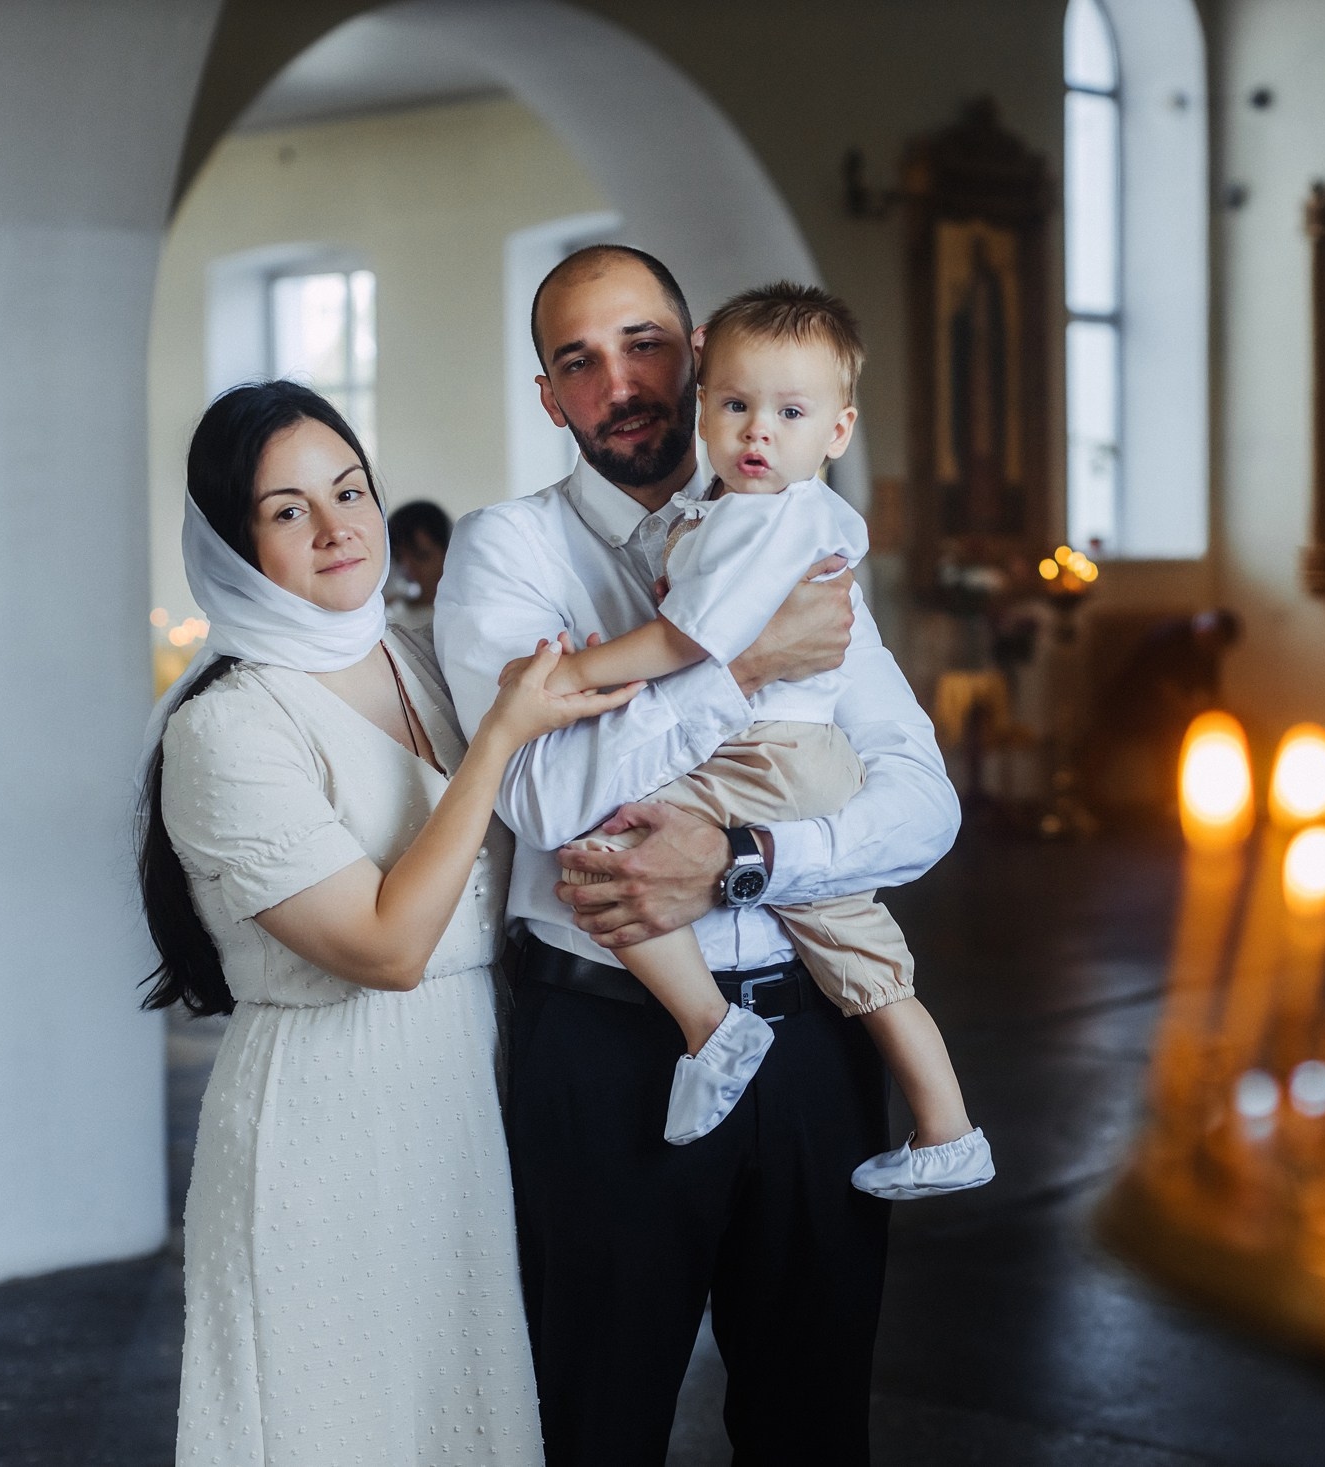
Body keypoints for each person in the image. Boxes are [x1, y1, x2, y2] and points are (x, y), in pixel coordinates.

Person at [435, 246, 960, 1465]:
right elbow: (547, 793)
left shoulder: (797, 535)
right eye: (579, 361)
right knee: (596, 1419)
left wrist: (744, 857)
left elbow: (921, 804)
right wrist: (743, 667)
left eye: (644, 344)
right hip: (607, 1046)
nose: (620, 380)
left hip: (813, 1034)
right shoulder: (506, 554)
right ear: (550, 396)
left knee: (812, 1423)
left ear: (695, 351)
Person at [137, 381, 639, 1467]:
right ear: (230, 541)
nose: (337, 528)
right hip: (325, 1111)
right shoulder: (228, 725)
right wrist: (503, 735)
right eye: (285, 509)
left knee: (456, 1408)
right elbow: (385, 948)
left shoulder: (422, 657)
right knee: (338, 1418)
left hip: (461, 1092)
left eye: (348, 488)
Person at [508, 281, 993, 1199]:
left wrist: (578, 671)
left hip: (765, 758)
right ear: (707, 397)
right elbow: (533, 789)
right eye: (736, 407)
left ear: (836, 432)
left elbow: (686, 642)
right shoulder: (737, 514)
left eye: (789, 412)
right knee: (864, 956)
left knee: (605, 843)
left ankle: (711, 1028)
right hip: (790, 762)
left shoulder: (771, 518)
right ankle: (948, 1125)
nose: (756, 432)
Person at [387, 498, 451, 635]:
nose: (408, 566)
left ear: (448, 551)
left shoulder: (467, 611)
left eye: (421, 555)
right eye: (399, 557)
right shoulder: (389, 613)